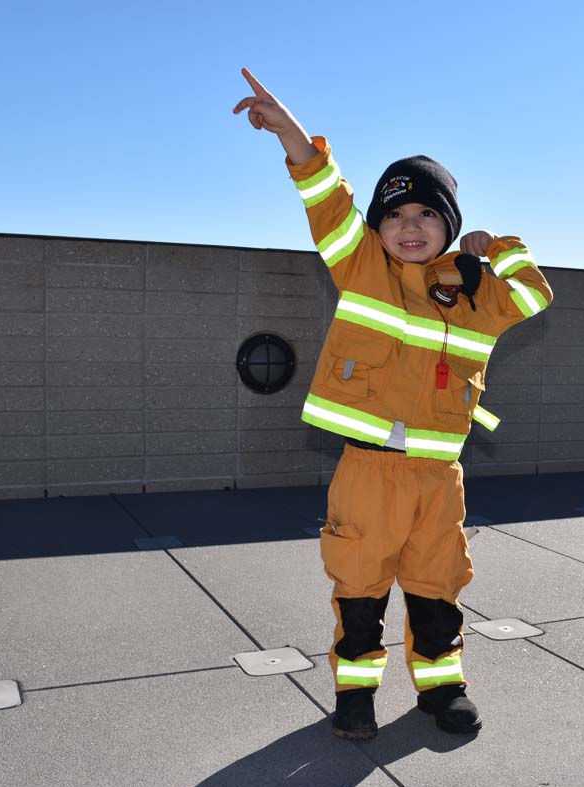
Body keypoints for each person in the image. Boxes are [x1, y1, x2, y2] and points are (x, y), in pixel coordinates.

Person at [233, 68, 552, 740]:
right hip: (368, 472)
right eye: (395, 215)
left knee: (438, 589)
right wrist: (292, 134)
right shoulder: (361, 267)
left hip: (438, 480)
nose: (409, 227)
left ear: (449, 225)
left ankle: (442, 690)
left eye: (426, 214)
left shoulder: (476, 294)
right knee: (360, 589)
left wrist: (494, 251)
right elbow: (324, 197)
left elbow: (533, 297)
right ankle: (356, 696)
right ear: (376, 227)